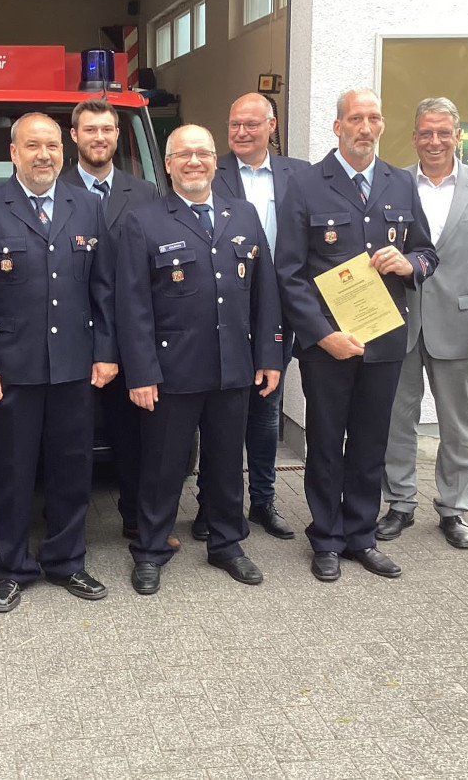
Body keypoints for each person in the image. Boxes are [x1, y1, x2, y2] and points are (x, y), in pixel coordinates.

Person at [0, 112, 116, 613]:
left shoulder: (86, 206)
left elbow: (102, 288)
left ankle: (67, 560)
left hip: (73, 365)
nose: (43, 154)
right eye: (33, 146)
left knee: (72, 468)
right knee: (13, 471)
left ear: (62, 152)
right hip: (10, 369)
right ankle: (13, 568)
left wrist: (106, 352)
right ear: (13, 153)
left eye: (51, 146)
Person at [275, 87, 439, 582]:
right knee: (325, 443)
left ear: (382, 125)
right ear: (338, 127)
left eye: (373, 119)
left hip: (385, 343)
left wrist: (408, 262)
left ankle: (361, 536)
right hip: (329, 346)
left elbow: (429, 253)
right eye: (355, 119)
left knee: (370, 444)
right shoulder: (305, 184)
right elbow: (289, 272)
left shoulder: (400, 184)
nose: (364, 128)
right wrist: (323, 336)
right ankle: (325, 538)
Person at [117, 124, 283, 594]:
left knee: (228, 462)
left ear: (216, 160)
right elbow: (132, 306)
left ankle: (228, 544)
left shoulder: (244, 214)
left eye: (203, 153)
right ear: (167, 164)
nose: (194, 161)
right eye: (183, 154)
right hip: (172, 371)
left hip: (234, 366)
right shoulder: (145, 221)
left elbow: (264, 292)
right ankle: (150, 550)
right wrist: (142, 371)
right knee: (164, 465)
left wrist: (268, 353)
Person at [377, 97, 468, 549]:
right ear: (413, 137)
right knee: (397, 418)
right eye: (425, 133)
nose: (434, 141)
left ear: (458, 136)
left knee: (459, 424)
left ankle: (454, 508)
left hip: (463, 326)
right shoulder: (393, 184)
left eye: (443, 132)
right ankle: (399, 502)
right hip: (400, 321)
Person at [191, 92, 311, 542]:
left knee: (265, 410)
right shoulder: (206, 169)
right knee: (216, 412)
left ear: (271, 126)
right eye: (234, 124)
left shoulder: (299, 174)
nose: (241, 132)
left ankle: (263, 500)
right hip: (226, 307)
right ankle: (211, 504)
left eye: (251, 124)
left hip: (282, 307)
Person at [58, 98, 169, 546]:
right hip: (68, 337)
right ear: (74, 136)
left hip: (127, 338)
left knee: (133, 436)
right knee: (68, 438)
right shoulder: (53, 187)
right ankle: (65, 524)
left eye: (106, 129)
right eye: (90, 130)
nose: (99, 137)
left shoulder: (144, 193)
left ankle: (136, 518)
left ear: (117, 136)